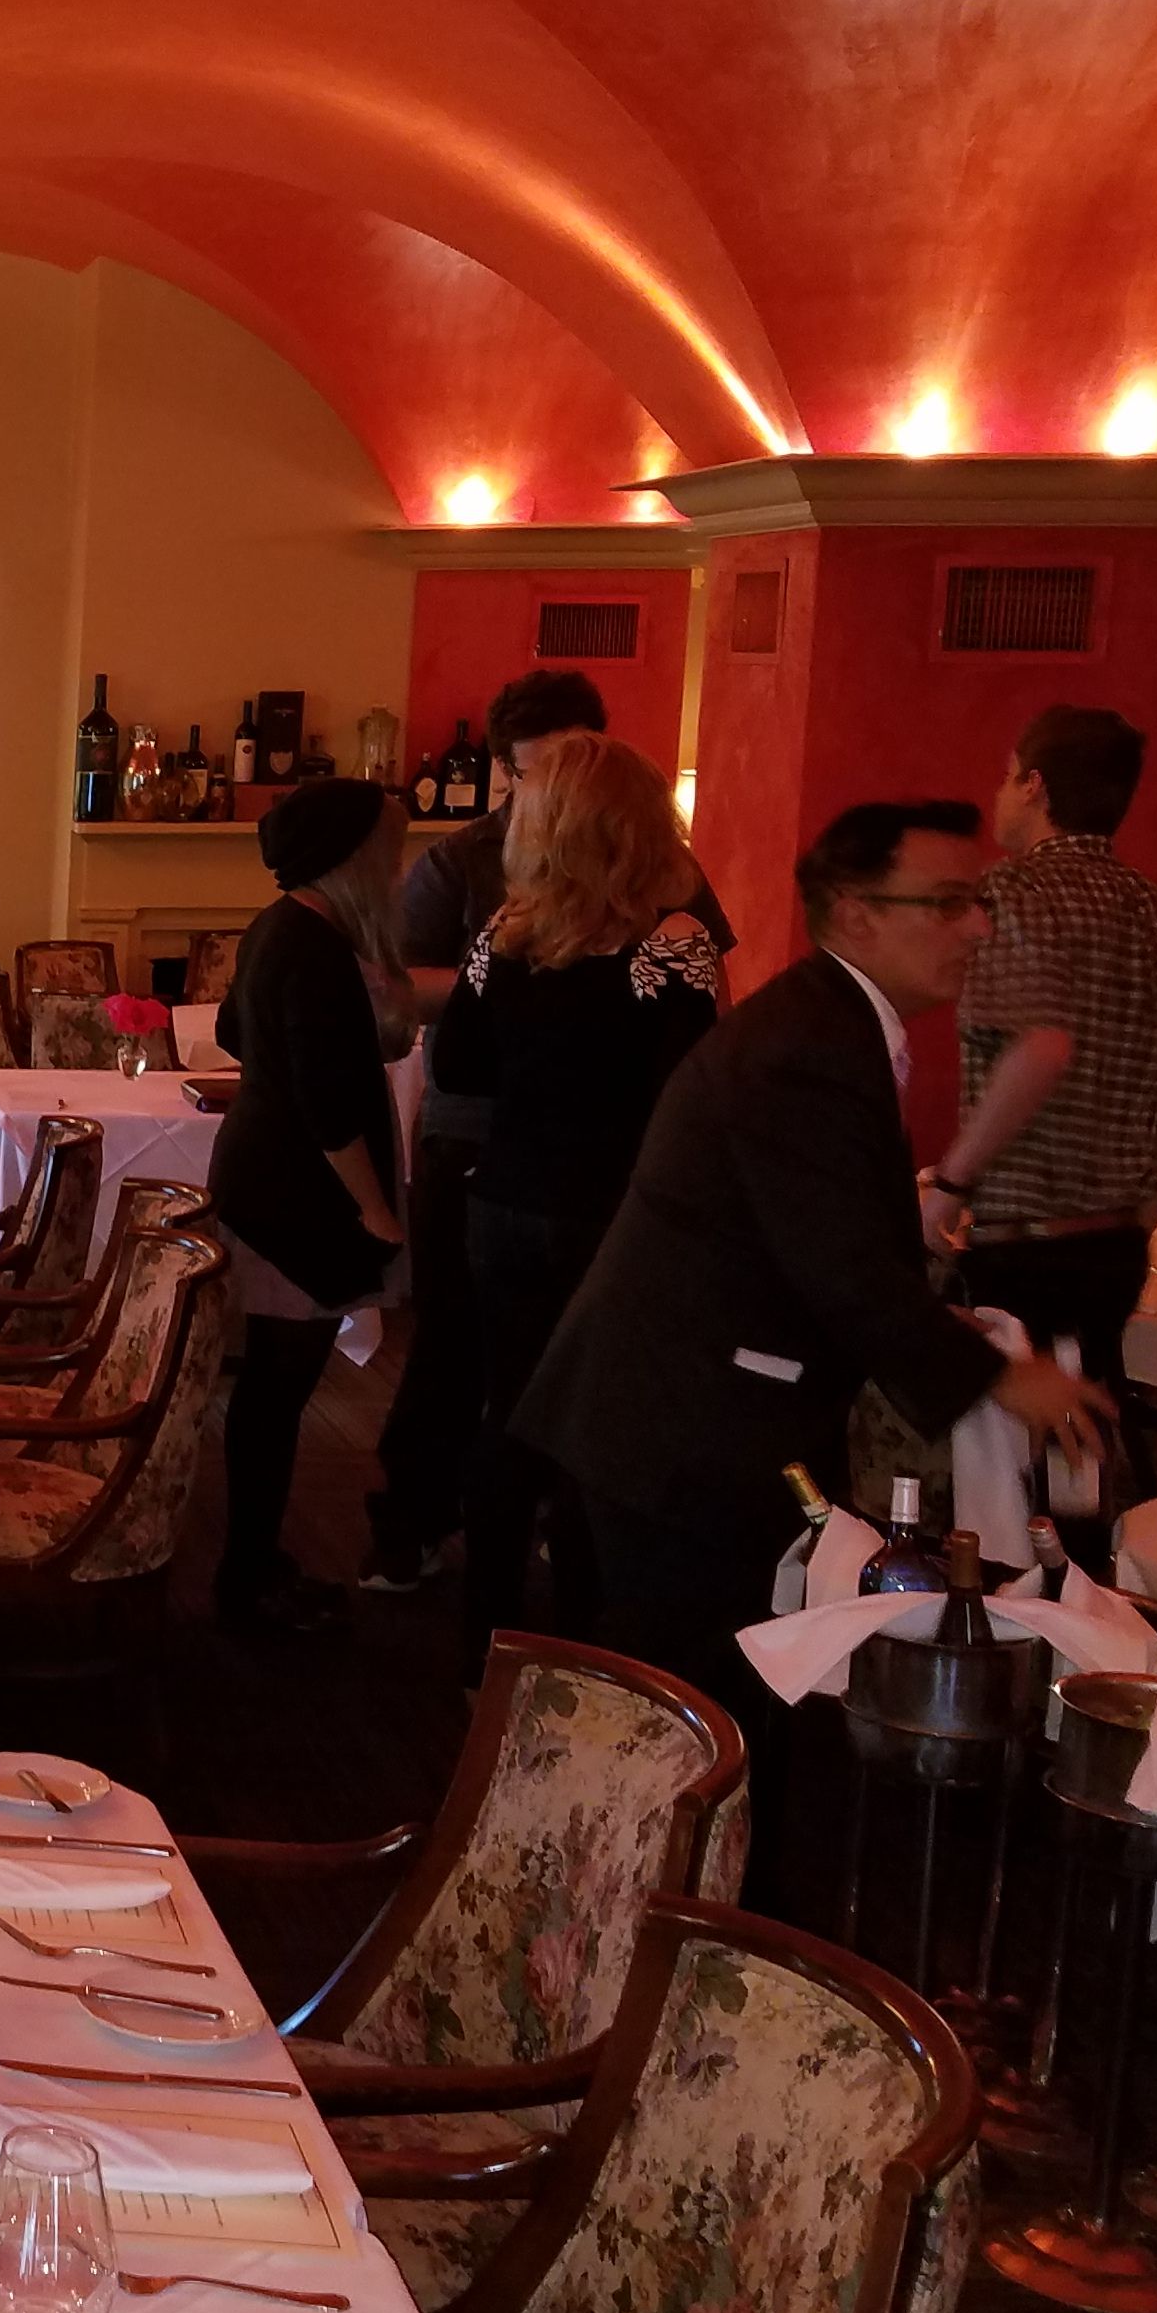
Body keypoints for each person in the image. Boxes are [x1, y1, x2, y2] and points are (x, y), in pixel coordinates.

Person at [520, 801, 1109, 1893]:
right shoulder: (809, 1047)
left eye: (977, 901)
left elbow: (814, 1234)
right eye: (948, 903)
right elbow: (842, 1274)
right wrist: (997, 1377)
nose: (978, 927)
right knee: (691, 1715)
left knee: (705, 1705)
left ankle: (683, 1919)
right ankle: (668, 1932)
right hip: (680, 1424)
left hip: (681, 1407)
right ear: (855, 912)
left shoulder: (832, 1023)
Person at [367, 671, 731, 1593]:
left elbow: (459, 1067)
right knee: (599, 1419)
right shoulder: (675, 940)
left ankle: (485, 1631)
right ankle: (581, 1629)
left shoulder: (508, 930)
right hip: (614, 1209)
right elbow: (694, 1097)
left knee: (508, 1406)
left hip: (506, 1194)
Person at [922, 704, 1157, 1396]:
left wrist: (949, 1189)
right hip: (1115, 1248)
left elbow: (1038, 1050)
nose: (999, 792)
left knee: (1000, 1442)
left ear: (1034, 785)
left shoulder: (1011, 892)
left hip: (1019, 1246)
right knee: (1082, 1431)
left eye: (1007, 776)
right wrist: (1140, 1221)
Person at [206, 776, 413, 1635]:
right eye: (389, 853)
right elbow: (330, 1108)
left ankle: (254, 1562)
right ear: (351, 857)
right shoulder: (318, 947)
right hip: (297, 1197)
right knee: (276, 1394)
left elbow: (231, 1030)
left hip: (263, 1181)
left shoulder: (276, 927)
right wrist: (376, 1212)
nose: (398, 870)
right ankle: (249, 1574)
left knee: (269, 1391)